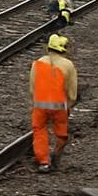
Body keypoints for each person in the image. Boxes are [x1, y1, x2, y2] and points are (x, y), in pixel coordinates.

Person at [30, 34, 78, 172]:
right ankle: (57, 154)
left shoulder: (38, 63)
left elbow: (32, 87)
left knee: (39, 130)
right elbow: (72, 91)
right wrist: (69, 103)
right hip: (59, 106)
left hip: (39, 105)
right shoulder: (68, 65)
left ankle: (43, 161)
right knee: (61, 131)